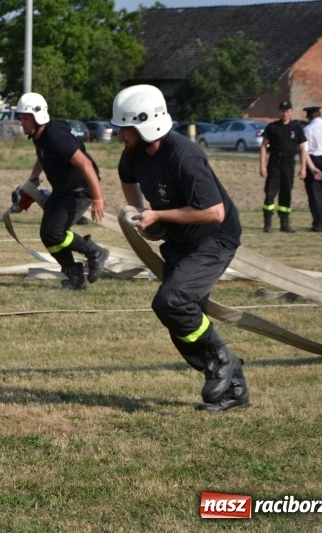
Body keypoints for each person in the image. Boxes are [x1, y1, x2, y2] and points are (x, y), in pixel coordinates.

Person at [111, 84, 248, 411]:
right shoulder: (134, 153)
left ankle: (222, 359)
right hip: (180, 240)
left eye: (125, 129)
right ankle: (235, 388)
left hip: (213, 238)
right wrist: (141, 214)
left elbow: (215, 211)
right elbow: (127, 178)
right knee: (172, 312)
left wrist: (158, 214)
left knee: (173, 300)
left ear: (145, 125)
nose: (120, 136)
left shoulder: (184, 155)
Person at [16, 92, 110, 290]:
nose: (21, 123)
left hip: (80, 190)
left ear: (38, 116)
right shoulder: (39, 134)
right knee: (47, 234)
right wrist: (33, 177)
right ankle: (74, 276)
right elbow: (43, 155)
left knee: (54, 232)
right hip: (63, 190)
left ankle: (95, 252)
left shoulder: (56, 137)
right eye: (21, 117)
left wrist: (98, 198)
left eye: (25, 118)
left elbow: (85, 164)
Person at [258, 100, 307, 233]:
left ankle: (284, 223)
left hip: (289, 163)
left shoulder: (296, 128)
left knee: (286, 193)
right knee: (270, 193)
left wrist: (303, 168)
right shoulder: (272, 127)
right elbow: (263, 147)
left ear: (291, 112)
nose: (285, 114)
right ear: (279, 112)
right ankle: (267, 223)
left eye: (288, 111)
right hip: (275, 162)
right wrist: (262, 166)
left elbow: (302, 148)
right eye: (283, 111)